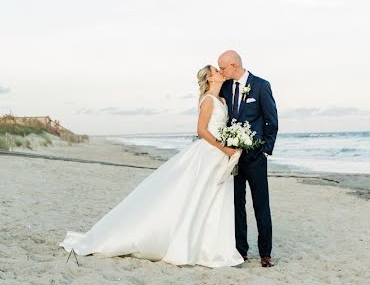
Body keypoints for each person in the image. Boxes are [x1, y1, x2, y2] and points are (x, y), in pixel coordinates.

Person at [60, 65, 244, 267]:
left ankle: (209, 247)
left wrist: (232, 144)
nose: (221, 72)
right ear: (210, 78)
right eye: (217, 70)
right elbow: (201, 130)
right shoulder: (208, 100)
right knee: (196, 196)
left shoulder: (223, 100)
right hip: (209, 154)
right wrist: (223, 147)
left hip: (220, 157)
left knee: (213, 199)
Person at [218, 50, 278, 267]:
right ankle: (240, 250)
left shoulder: (261, 85)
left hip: (255, 156)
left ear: (234, 65)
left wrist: (265, 149)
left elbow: (272, 119)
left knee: (261, 204)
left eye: (223, 68)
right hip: (232, 157)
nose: (221, 72)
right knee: (237, 204)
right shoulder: (224, 87)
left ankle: (265, 253)